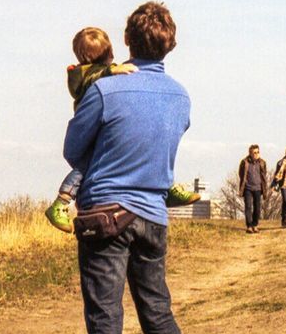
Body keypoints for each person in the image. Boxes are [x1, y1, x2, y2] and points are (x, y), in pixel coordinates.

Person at [58, 1, 194, 334]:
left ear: (128, 40)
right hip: (154, 214)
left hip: (104, 216)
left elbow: (74, 150)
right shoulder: (181, 96)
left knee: (105, 319)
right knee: (157, 312)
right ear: (169, 43)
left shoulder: (104, 91)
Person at [45, 27, 201, 234]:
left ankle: (167, 185)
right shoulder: (81, 74)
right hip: (96, 133)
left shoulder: (109, 76)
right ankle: (62, 200)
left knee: (145, 139)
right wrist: (111, 71)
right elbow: (90, 78)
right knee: (84, 165)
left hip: (104, 137)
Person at [238, 144, 267, 234]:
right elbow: (241, 173)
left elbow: (264, 174)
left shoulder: (262, 162)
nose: (256, 154)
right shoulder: (244, 162)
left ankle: (255, 225)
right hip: (248, 188)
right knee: (248, 207)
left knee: (257, 208)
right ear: (250, 153)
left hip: (258, 188)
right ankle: (249, 226)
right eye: (254, 152)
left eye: (258, 152)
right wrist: (245, 183)